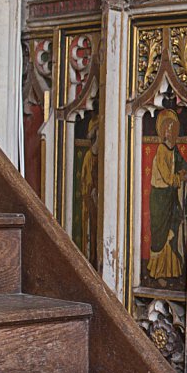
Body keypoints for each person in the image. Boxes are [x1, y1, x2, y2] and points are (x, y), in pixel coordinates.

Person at [147, 109, 187, 285]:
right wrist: (178, 178)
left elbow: (183, 165)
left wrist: (183, 172)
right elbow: (166, 176)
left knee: (173, 230)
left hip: (170, 197)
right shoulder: (161, 150)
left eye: (173, 128)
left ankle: (172, 270)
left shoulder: (174, 150)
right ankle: (158, 272)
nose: (170, 132)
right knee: (160, 234)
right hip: (160, 198)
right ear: (163, 131)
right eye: (167, 128)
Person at [80, 114, 100, 268]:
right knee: (91, 232)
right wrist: (91, 190)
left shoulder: (104, 155)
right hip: (90, 203)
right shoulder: (89, 156)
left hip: (101, 202)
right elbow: (84, 182)